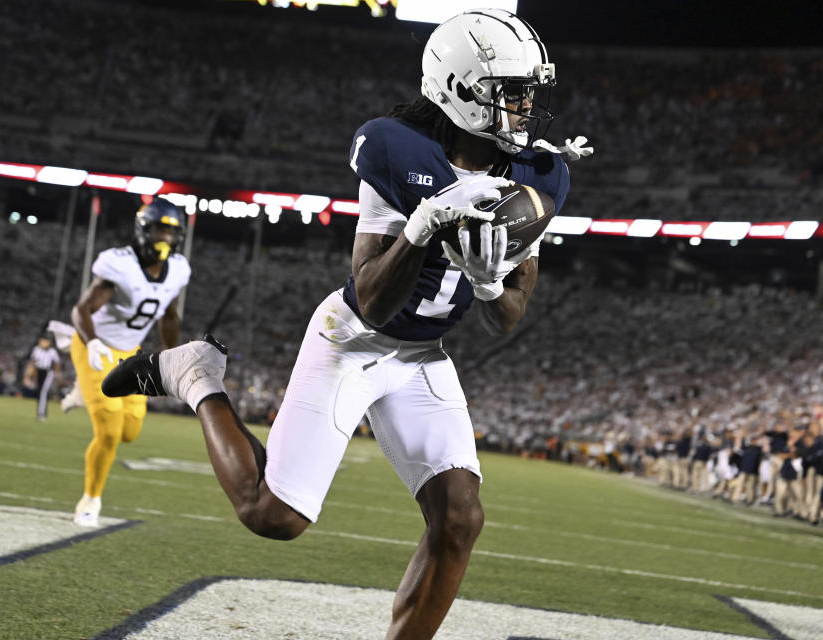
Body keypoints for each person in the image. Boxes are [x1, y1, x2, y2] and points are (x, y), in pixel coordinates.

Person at [102, 10, 588, 639]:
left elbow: (505, 318)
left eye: (530, 94)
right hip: (353, 339)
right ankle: (195, 374)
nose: (527, 109)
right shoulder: (399, 153)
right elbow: (372, 299)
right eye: (512, 94)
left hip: (424, 355)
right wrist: (424, 226)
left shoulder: (537, 176)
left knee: (460, 518)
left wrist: (490, 280)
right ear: (463, 90)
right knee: (273, 514)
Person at [70, 198, 191, 527]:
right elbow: (81, 310)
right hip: (95, 347)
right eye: (159, 230)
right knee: (109, 430)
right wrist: (91, 341)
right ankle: (90, 500)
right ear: (143, 230)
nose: (165, 238)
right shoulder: (118, 264)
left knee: (130, 431)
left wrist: (171, 356)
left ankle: (81, 393)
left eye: (171, 232)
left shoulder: (178, 269)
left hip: (130, 353)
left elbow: (169, 314)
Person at [25, 332, 61, 421]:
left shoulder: (52, 352)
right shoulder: (36, 349)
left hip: (48, 372)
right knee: (40, 392)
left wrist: (57, 375)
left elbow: (57, 363)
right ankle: (40, 413)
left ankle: (42, 413)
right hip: (39, 372)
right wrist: (28, 375)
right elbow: (32, 363)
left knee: (43, 392)